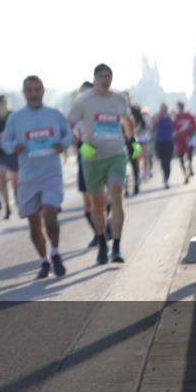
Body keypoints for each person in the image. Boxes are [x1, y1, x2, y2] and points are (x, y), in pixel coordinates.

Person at [1, 77, 73, 278]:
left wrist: (63, 144)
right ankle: (43, 261)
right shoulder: (16, 118)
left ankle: (56, 253)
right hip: (28, 176)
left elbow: (69, 135)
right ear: (24, 93)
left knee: (50, 215)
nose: (33, 93)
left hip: (51, 174)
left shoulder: (55, 115)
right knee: (34, 223)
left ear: (43, 90)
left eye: (36, 89)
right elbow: (5, 141)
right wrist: (13, 147)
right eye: (29, 90)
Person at [68, 64, 140, 265]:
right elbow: (68, 125)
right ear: (95, 78)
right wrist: (81, 145)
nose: (105, 79)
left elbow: (127, 120)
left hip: (116, 154)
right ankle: (101, 243)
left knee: (116, 194)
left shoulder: (119, 99)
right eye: (101, 76)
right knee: (97, 204)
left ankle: (116, 247)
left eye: (108, 76)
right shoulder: (83, 101)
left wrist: (132, 140)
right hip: (93, 159)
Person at [0, 94, 17, 219]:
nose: (1, 105)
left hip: (13, 151)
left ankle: (17, 196)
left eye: (3, 103)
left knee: (15, 179)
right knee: (1, 178)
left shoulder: (13, 116)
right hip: (0, 151)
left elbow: (18, 131)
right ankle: (7, 207)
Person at [173, 102, 196, 183]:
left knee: (189, 156)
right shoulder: (176, 117)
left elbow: (194, 126)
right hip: (180, 141)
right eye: (179, 107)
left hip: (188, 139)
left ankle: (190, 167)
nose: (180, 108)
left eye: (180, 107)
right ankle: (186, 175)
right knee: (181, 159)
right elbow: (174, 129)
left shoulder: (189, 116)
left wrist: (190, 132)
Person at [152, 103, 175, 188]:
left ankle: (166, 178)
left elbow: (174, 126)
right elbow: (153, 127)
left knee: (168, 161)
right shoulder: (157, 117)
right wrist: (155, 119)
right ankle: (165, 177)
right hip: (160, 142)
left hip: (169, 141)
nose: (163, 110)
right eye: (162, 109)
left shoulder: (170, 117)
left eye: (164, 109)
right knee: (162, 162)